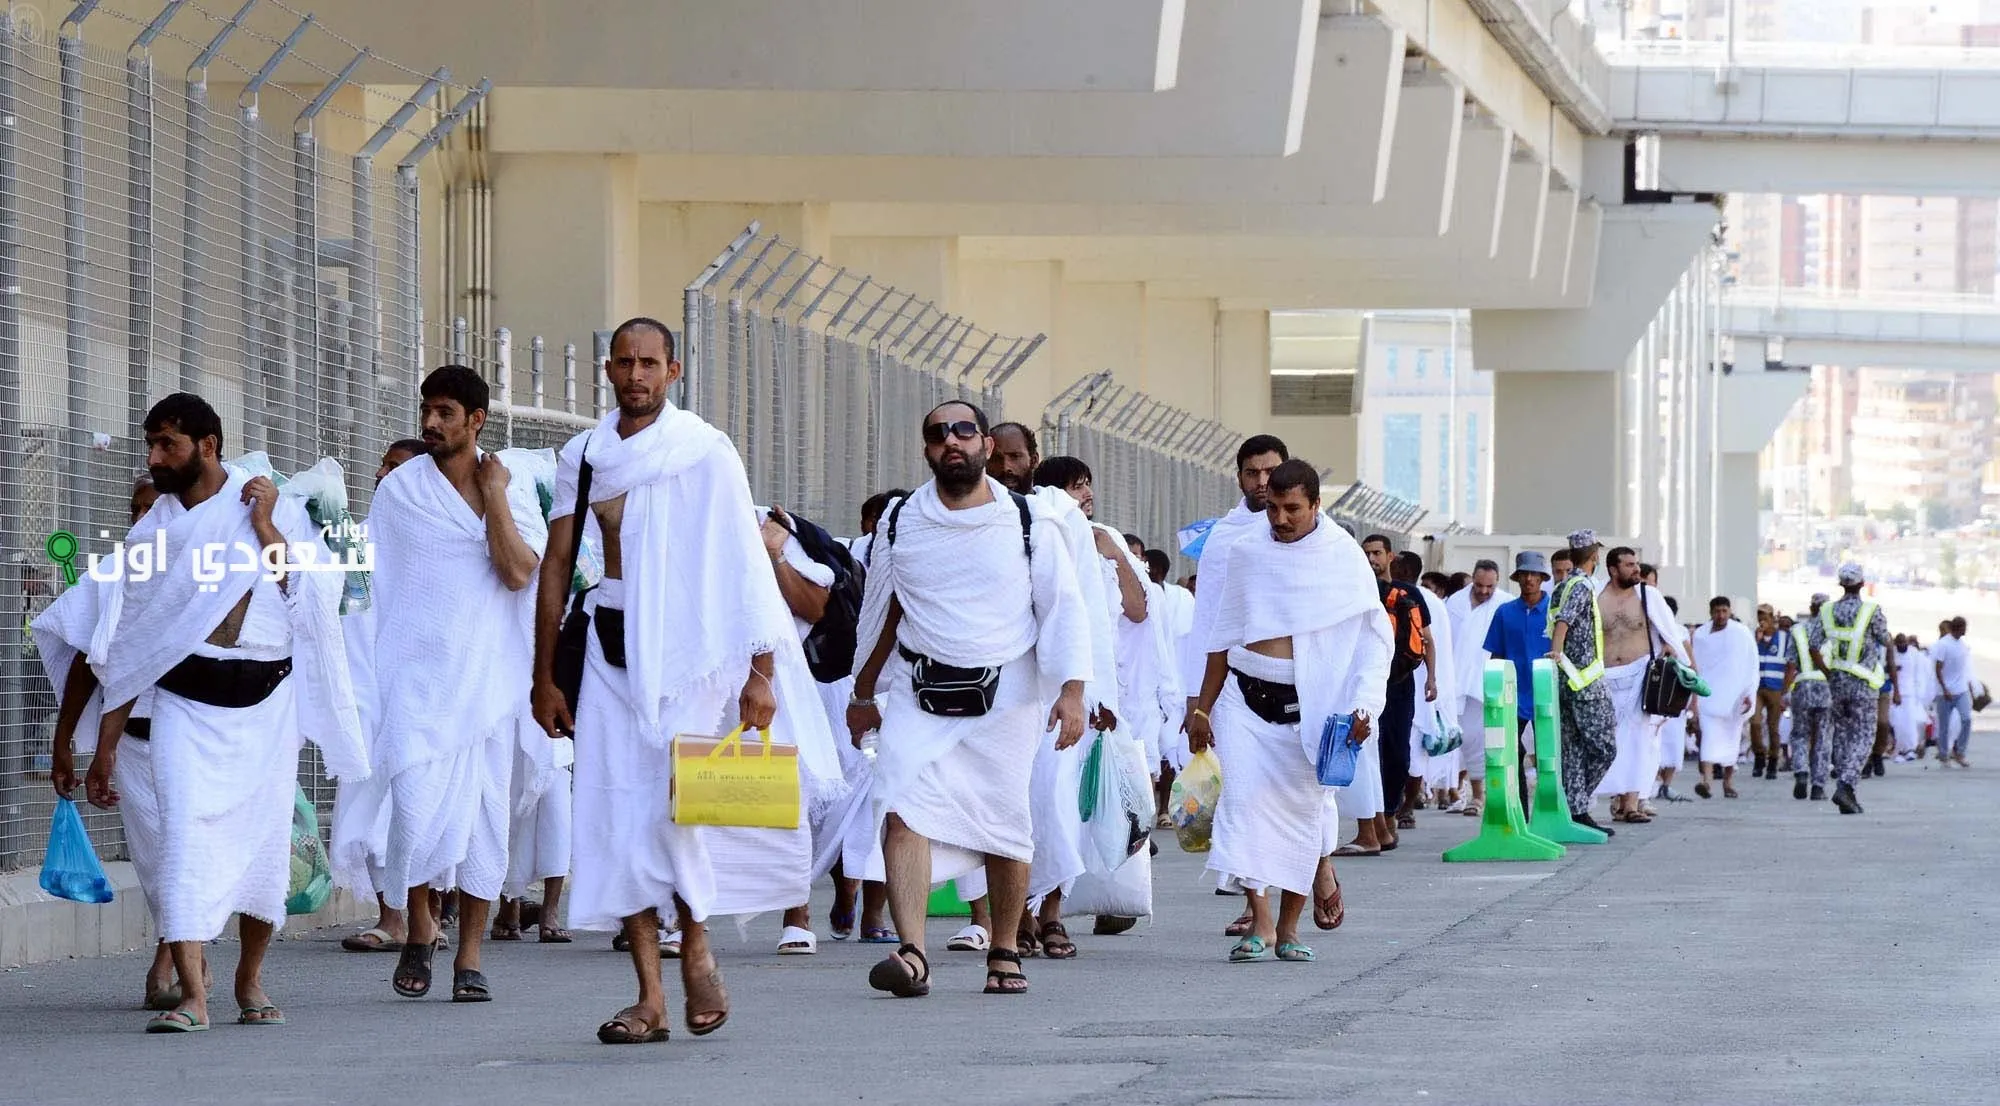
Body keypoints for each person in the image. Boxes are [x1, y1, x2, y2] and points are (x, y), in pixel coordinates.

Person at [530, 318, 812, 1045]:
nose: (635, 376)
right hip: (609, 645)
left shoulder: (704, 452)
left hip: (690, 654)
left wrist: (761, 673)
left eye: (649, 363)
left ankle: (697, 943)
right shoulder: (584, 455)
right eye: (624, 363)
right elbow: (558, 564)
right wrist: (543, 677)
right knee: (616, 815)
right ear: (606, 369)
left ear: (673, 370)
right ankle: (650, 998)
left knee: (675, 807)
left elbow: (745, 563)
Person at [83, 392, 369, 1033]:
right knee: (184, 839)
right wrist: (103, 747)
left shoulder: (272, 505)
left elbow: (314, 595)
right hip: (185, 707)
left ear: (207, 446)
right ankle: (193, 994)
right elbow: (133, 645)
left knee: (263, 850)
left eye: (169, 445)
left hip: (267, 708)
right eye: (151, 444)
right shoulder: (150, 532)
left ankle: (248, 980)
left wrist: (267, 528)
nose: (156, 458)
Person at [847, 400, 1091, 998]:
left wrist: (1073, 691)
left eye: (963, 431)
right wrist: (861, 690)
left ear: (984, 442)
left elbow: (1061, 608)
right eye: (937, 434)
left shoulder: (1028, 521)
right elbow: (882, 608)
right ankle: (912, 953)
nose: (950, 443)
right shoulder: (902, 520)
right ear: (926, 448)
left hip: (1006, 695)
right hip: (918, 690)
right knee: (901, 810)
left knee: (1006, 824)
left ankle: (1004, 949)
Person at [347, 366, 548, 1005]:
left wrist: (491, 495)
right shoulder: (400, 492)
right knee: (412, 809)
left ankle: (469, 955)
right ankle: (420, 923)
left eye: (445, 413)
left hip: (487, 682)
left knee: (485, 820)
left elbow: (519, 573)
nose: (430, 423)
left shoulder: (509, 490)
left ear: (476, 420)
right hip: (415, 678)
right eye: (426, 410)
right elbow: (380, 586)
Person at [1188, 461, 1387, 963]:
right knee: (1242, 808)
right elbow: (1223, 634)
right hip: (1243, 701)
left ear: (1316, 505)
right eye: (1273, 507)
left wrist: (1365, 707)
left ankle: (1292, 927)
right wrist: (1203, 708)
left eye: (1292, 508)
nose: (1280, 518)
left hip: (1314, 709)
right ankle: (1261, 924)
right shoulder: (1248, 550)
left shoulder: (1342, 557)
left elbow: (1372, 641)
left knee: (1304, 817)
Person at [37, 473, 202, 1010]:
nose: (145, 520)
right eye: (137, 510)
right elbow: (88, 656)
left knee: (191, 854)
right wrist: (66, 743)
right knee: (158, 859)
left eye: (156, 509)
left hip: (203, 740)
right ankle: (176, 955)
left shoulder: (215, 573)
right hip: (133, 742)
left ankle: (182, 968)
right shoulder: (117, 575)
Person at [335, 439, 433, 954]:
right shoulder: (353, 540)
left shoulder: (436, 535)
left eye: (395, 467)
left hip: (420, 691)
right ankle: (392, 915)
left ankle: (419, 916)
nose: (380, 474)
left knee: (412, 805)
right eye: (381, 465)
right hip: (365, 691)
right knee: (369, 804)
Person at [1591, 547, 1690, 824]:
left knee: (1638, 741)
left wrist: (1670, 649)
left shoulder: (1649, 596)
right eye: (1630, 565)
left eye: (1636, 564)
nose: (1636, 569)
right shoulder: (1596, 596)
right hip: (1604, 676)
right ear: (1613, 569)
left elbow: (1669, 632)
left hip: (1640, 676)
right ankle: (1616, 800)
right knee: (1606, 740)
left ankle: (1633, 803)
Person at [1546, 532, 1616, 835]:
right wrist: (1557, 653)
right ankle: (1577, 800)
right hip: (1583, 681)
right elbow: (1564, 621)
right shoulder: (1580, 586)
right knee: (1605, 748)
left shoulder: (1562, 586)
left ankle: (1575, 811)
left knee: (1573, 750)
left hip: (1566, 681)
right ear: (1595, 556)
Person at [1819, 564, 1895, 813]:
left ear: (1841, 584)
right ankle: (1846, 785)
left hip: (1837, 681)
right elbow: (1885, 639)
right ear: (1862, 584)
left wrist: (1829, 673)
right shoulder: (1870, 610)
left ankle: (1846, 788)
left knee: (1841, 735)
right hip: (1862, 684)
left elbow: (1813, 644)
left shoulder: (1827, 610)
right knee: (1863, 736)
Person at [1482, 552, 1554, 816]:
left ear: (1542, 578)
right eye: (1524, 574)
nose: (1529, 579)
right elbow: (1496, 655)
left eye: (1534, 574)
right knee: (1511, 754)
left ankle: (1550, 811)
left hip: (1547, 694)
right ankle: (1519, 811)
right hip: (1513, 694)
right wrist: (1493, 691)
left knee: (1550, 756)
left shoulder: (1554, 612)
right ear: (1518, 578)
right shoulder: (1505, 612)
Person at [1395, 550, 1455, 822]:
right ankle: (1401, 804)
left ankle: (1406, 806)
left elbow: (1432, 643)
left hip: (1417, 681)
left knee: (1413, 744)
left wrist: (1431, 678)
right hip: (1411, 681)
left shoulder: (1417, 599)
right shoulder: (1429, 601)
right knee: (1407, 745)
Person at [1444, 559, 1503, 818]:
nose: (1484, 591)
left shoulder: (1504, 603)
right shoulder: (1454, 603)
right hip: (1454, 682)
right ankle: (1455, 792)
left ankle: (1479, 796)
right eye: (1479, 585)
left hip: (1485, 683)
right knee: (1459, 741)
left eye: (1489, 586)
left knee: (1482, 741)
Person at [1689, 597, 1758, 800]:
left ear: (1730, 611)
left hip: (1734, 697)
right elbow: (1696, 666)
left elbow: (1751, 665)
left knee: (1731, 740)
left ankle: (1728, 783)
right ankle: (1707, 782)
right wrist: (1693, 700)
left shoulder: (1742, 633)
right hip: (1708, 695)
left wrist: (1748, 693)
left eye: (1724, 611)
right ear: (1710, 612)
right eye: (1717, 611)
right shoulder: (1701, 635)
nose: (1721, 615)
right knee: (1709, 739)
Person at [1787, 595, 1833, 801]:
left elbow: (1790, 664)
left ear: (1811, 608)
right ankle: (1818, 786)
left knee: (1800, 735)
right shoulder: (1835, 631)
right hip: (1827, 688)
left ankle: (1801, 772)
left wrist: (1784, 692)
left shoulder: (1797, 630)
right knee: (1823, 738)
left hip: (1802, 687)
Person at [1750, 605, 1793, 780]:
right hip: (1757, 687)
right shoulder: (1753, 637)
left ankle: (1773, 761)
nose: (1762, 620)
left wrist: (1785, 689)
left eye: (1765, 616)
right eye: (1760, 616)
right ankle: (1760, 756)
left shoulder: (1784, 637)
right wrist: (1757, 641)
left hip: (1776, 688)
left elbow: (1791, 665)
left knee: (1774, 727)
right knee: (1755, 722)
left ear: (1772, 618)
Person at [1931, 616, 1973, 768]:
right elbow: (1938, 668)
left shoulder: (1962, 644)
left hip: (1961, 690)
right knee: (1944, 725)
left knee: (1966, 719)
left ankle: (1959, 752)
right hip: (1945, 692)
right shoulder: (1944, 644)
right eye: (1964, 627)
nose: (1966, 630)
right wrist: (1944, 689)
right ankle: (1943, 754)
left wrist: (1970, 686)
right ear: (1958, 628)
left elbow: (1964, 669)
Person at [1888, 634, 1935, 765]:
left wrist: (1920, 694)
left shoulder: (1914, 654)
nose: (1901, 646)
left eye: (1903, 643)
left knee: (1909, 722)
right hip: (1893, 693)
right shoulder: (1891, 652)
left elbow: (1919, 674)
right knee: (1897, 723)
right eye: (1899, 644)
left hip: (1910, 693)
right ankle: (1898, 751)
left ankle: (1909, 750)